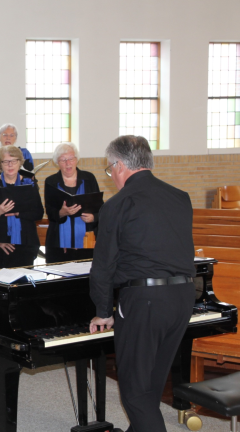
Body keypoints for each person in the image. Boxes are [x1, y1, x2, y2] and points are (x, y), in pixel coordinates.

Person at [89, 135, 196, 432]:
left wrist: (103, 311)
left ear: (120, 165)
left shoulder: (118, 203)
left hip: (145, 300)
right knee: (151, 384)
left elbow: (103, 265)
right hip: (183, 296)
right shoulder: (180, 197)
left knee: (136, 393)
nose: (112, 176)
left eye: (110, 169)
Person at [44, 142, 100, 262]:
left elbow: (100, 209)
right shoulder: (51, 182)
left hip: (87, 240)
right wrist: (61, 213)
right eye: (63, 160)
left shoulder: (89, 178)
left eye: (71, 158)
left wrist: (93, 217)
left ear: (76, 159)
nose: (68, 163)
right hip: (59, 242)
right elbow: (49, 212)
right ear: (57, 162)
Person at [0, 145, 44, 247]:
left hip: (27, 239)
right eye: (6, 161)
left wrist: (18, 213)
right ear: (0, 164)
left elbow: (39, 213)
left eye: (14, 161)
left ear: (20, 163)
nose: (10, 165)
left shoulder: (29, 184)